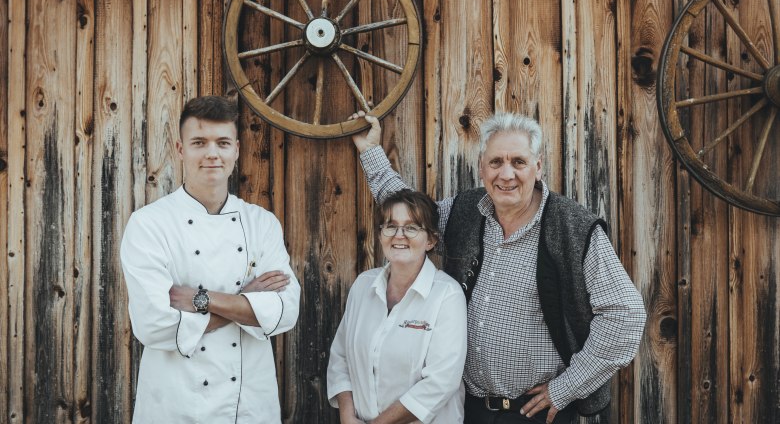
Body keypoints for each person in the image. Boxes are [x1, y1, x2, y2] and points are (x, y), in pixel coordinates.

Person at [350, 111, 646, 424]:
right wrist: (370, 151)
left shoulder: (570, 227)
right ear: (481, 167)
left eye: (518, 161)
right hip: (469, 409)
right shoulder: (466, 212)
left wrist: (566, 387)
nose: (506, 174)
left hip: (534, 413)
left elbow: (625, 315)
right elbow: (411, 219)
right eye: (496, 162)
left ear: (538, 166)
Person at [120, 96, 300, 423]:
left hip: (248, 407)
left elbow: (286, 311)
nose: (212, 153)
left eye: (223, 142)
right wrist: (250, 302)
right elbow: (154, 325)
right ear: (180, 149)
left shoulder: (262, 223)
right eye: (199, 142)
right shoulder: (148, 224)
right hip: (176, 406)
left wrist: (202, 300)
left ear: (237, 150)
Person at [327, 189, 468, 423]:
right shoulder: (363, 286)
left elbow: (441, 382)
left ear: (431, 240)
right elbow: (340, 358)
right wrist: (347, 415)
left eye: (411, 227)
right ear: (381, 234)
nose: (399, 235)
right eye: (390, 226)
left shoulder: (446, 295)